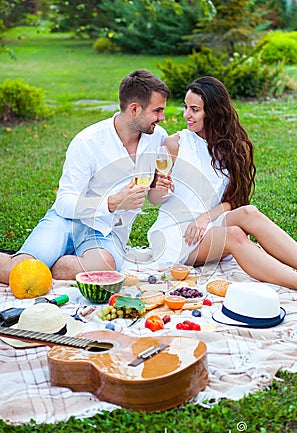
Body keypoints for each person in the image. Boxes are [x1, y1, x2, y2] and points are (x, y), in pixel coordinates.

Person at [0, 69, 170, 282]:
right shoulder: (88, 142)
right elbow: (64, 203)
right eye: (157, 111)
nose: (162, 118)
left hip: (107, 233)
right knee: (18, 273)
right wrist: (111, 203)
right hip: (67, 222)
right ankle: (31, 262)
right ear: (134, 109)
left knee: (106, 270)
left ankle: (46, 264)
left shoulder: (157, 138)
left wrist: (158, 186)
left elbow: (154, 197)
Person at [147, 76, 297, 290]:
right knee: (234, 235)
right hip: (177, 233)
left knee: (250, 212)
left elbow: (234, 200)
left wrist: (204, 218)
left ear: (213, 111)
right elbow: (153, 199)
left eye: (194, 109)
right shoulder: (174, 145)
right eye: (185, 107)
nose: (186, 115)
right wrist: (159, 188)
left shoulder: (233, 148)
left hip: (209, 223)